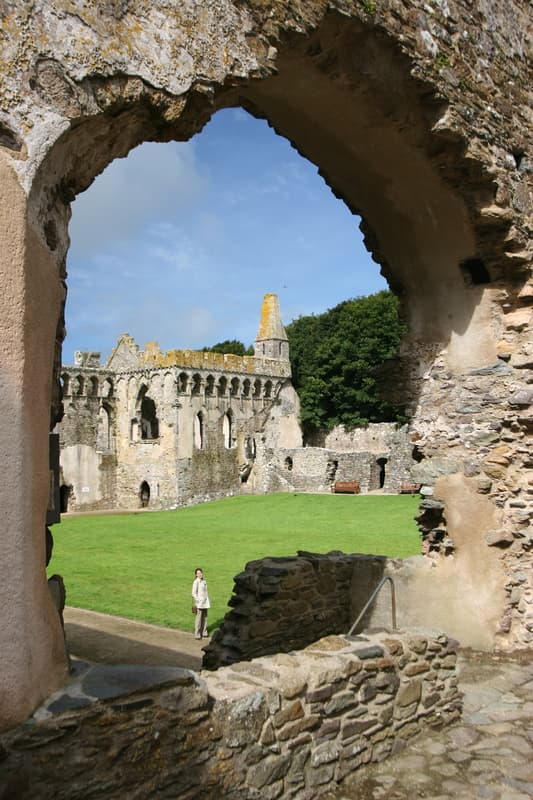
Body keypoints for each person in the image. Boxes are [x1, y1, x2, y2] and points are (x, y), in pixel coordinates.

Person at [191, 567, 210, 639]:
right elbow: (193, 593)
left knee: (205, 617)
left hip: (205, 602)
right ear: (196, 575)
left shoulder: (204, 581)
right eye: (198, 573)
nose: (200, 574)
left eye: (200, 573)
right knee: (198, 619)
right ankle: (197, 634)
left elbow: (205, 592)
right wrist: (198, 600)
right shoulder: (196, 582)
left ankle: (204, 632)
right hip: (199, 603)